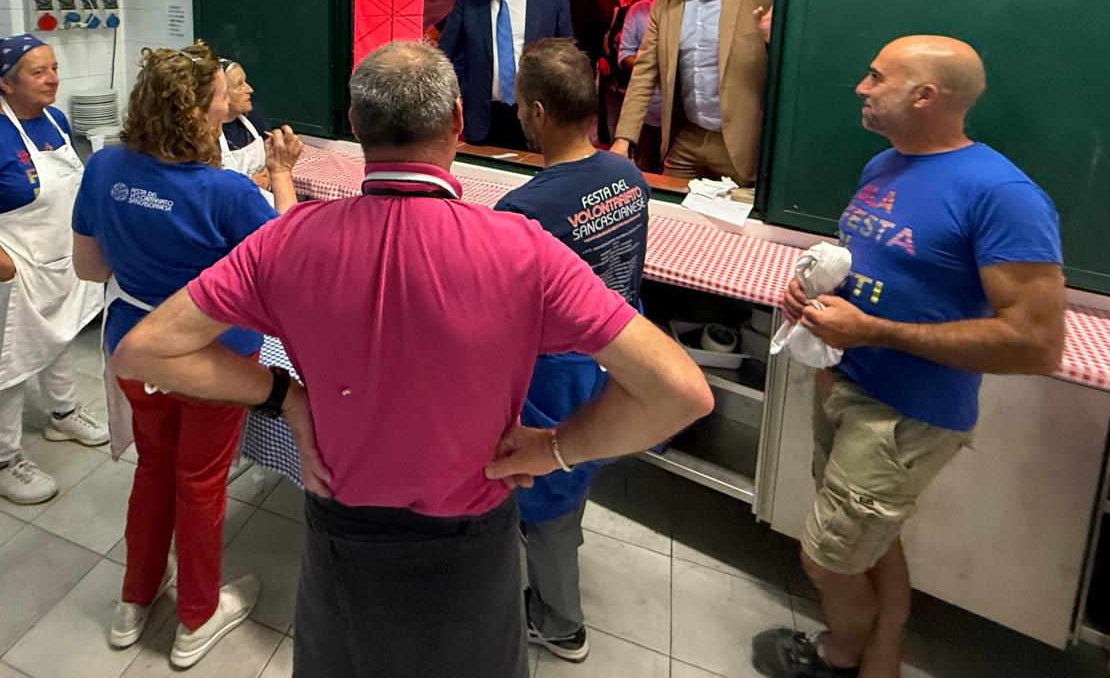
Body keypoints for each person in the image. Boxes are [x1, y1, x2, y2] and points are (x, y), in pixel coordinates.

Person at [111, 40, 713, 678]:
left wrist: (286, 397)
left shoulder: (286, 241)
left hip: (343, 524)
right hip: (472, 533)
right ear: (457, 120)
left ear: (355, 126)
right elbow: (680, 391)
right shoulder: (522, 249)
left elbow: (142, 351)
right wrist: (556, 450)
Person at [753, 36, 1067, 678]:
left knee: (826, 560)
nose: (862, 88)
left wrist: (873, 331)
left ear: (924, 96)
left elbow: (1036, 344)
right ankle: (881, 656)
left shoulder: (1003, 194)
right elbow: (880, 269)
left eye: (876, 77)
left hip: (905, 416)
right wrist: (815, 295)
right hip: (847, 385)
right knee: (872, 542)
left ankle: (837, 658)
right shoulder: (884, 166)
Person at [70, 43, 304, 667]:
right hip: (210, 359)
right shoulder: (226, 192)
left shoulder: (105, 166)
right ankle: (198, 617)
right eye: (223, 96)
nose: (231, 103)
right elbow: (286, 269)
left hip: (131, 351)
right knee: (200, 482)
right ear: (200, 112)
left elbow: (89, 268)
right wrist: (282, 175)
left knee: (153, 468)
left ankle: (135, 599)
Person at [496, 40, 651, 664]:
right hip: (616, 362)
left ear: (537, 112)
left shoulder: (524, 210)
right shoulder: (628, 176)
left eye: (518, 104)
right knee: (576, 473)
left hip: (554, 378)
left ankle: (560, 622)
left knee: (549, 501)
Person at [0, 35, 107, 506]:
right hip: (8, 266)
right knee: (10, 362)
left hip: (57, 257)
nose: (52, 79)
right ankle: (3, 460)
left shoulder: (55, 120)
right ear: (6, 84)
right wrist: (4, 267)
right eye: (38, 72)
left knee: (59, 338)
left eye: (54, 69)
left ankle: (62, 414)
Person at [614, 0, 775, 184]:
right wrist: (623, 139)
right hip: (686, 139)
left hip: (742, 145)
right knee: (669, 203)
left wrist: (772, 40)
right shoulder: (665, 1)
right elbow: (644, 72)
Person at [437, 0, 574, 149]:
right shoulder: (468, 0)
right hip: (482, 120)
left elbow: (568, 63)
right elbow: (444, 56)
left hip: (538, 120)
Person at [617, 0, 679, 172]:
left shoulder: (693, 13)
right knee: (644, 170)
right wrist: (653, 68)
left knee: (675, 175)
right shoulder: (639, 10)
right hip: (648, 111)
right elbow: (625, 54)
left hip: (681, 117)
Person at [595, 0, 636, 143]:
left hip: (628, 71)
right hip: (611, 64)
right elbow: (599, 32)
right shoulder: (605, 2)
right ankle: (607, 141)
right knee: (609, 110)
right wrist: (601, 57)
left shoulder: (640, 4)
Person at [218, 57, 271, 194]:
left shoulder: (252, 115)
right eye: (239, 85)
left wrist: (272, 172)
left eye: (245, 82)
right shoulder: (206, 134)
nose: (250, 89)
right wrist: (249, 184)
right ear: (220, 94)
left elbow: (269, 147)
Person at [563, 0, 609, 81]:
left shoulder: (595, 4)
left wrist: (601, 57)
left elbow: (598, 36)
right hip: (561, 66)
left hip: (586, 69)